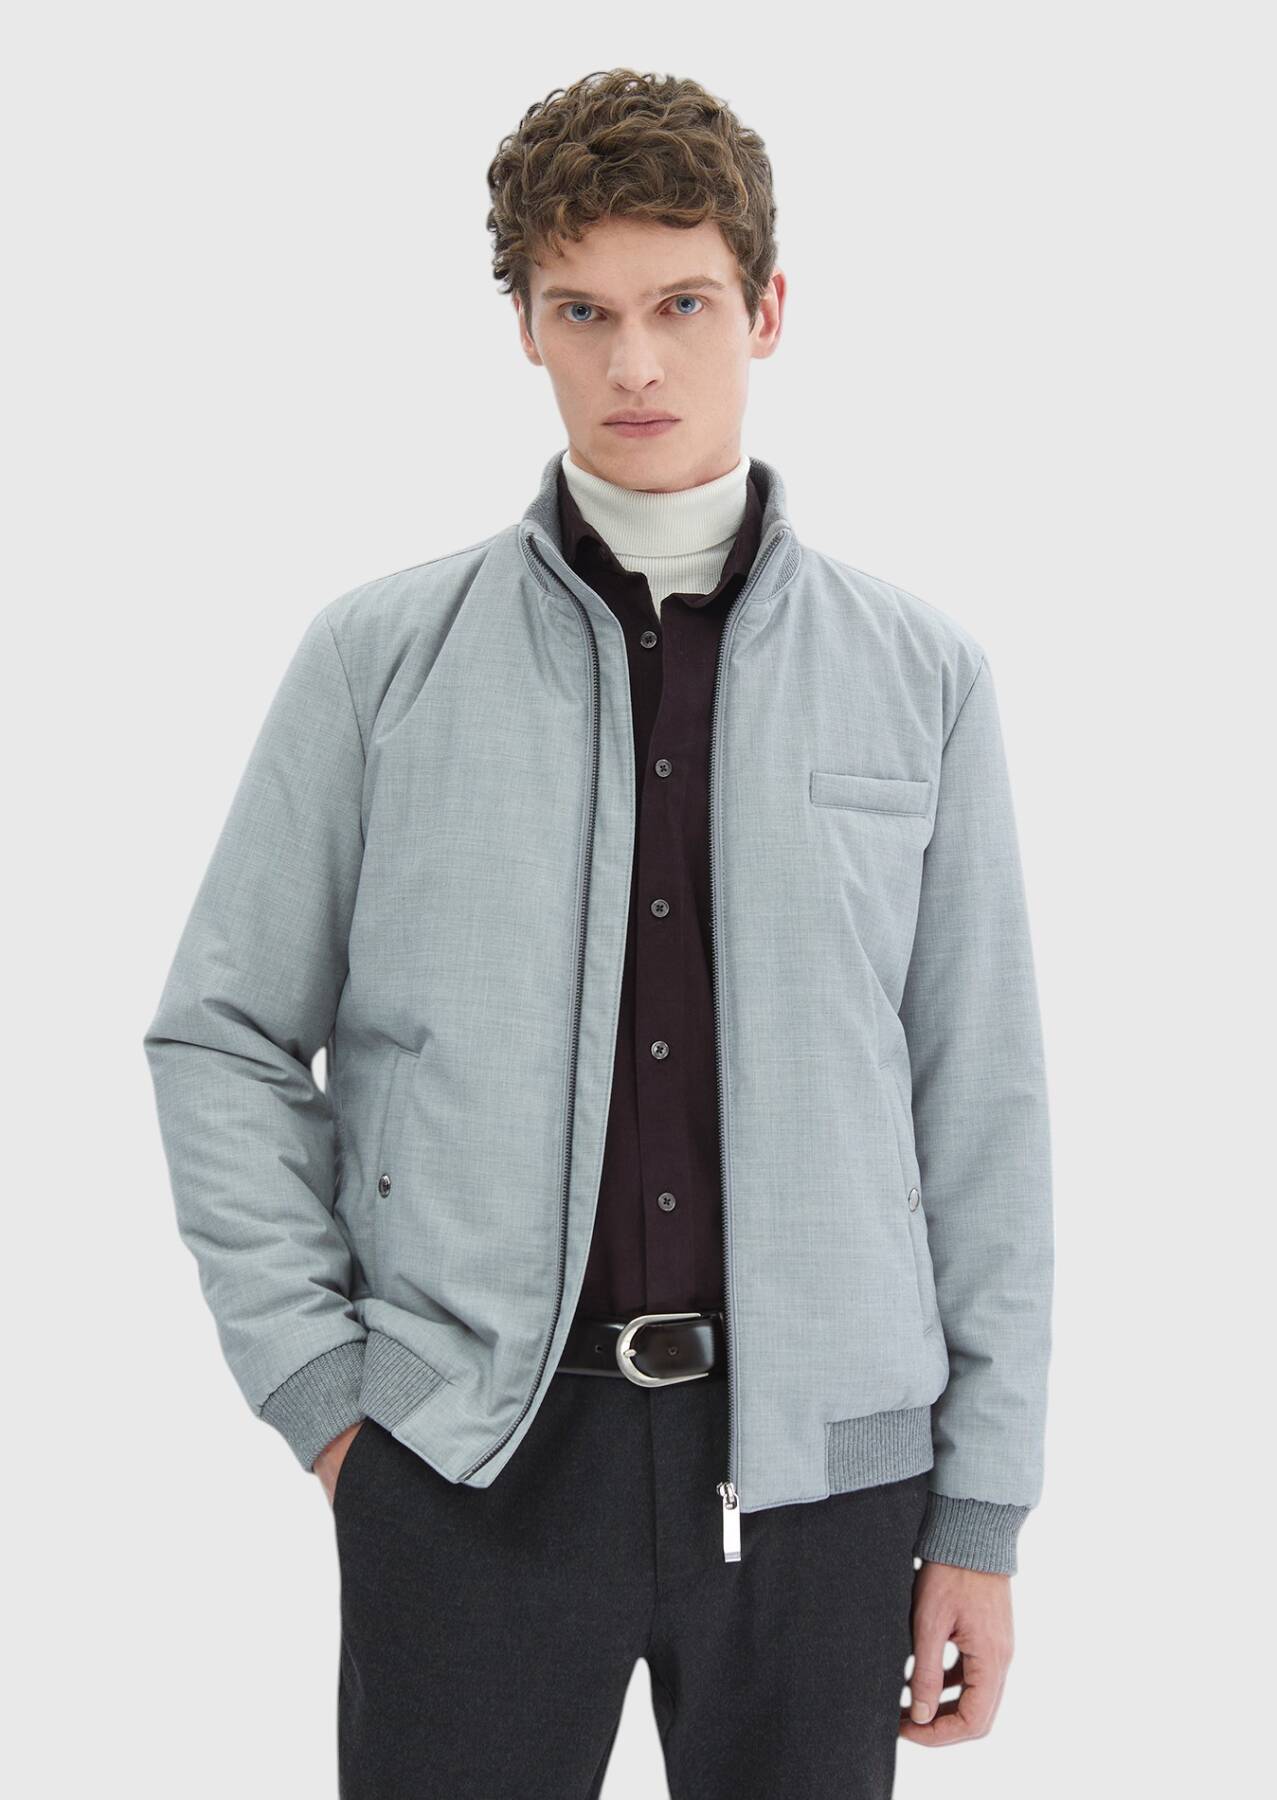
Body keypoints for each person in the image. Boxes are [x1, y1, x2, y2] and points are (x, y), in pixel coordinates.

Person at [142, 66, 1053, 1800]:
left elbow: (980, 1105)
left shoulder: (918, 677)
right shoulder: (379, 661)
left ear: (765, 310)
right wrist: (328, 1396)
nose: (635, 362)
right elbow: (223, 1031)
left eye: (680, 304)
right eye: (583, 311)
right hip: (469, 1458)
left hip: (823, 1480)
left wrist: (979, 1515)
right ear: (525, 328)